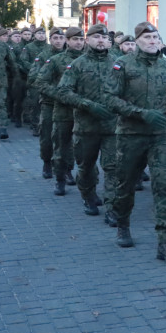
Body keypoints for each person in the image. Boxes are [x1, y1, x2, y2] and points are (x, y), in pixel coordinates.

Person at [103, 21, 166, 265]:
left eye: (155, 37)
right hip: (130, 135)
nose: (151, 41)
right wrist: (140, 113)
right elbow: (109, 97)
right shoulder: (123, 65)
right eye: (146, 38)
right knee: (125, 185)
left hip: (159, 136)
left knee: (163, 185)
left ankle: (165, 243)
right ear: (136, 41)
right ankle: (123, 226)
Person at [55, 23, 119, 221]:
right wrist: (87, 105)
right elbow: (63, 91)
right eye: (96, 37)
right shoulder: (78, 64)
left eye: (104, 37)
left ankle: (111, 207)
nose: (101, 40)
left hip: (112, 126)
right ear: (88, 40)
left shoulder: (118, 63)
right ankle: (89, 197)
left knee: (113, 167)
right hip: (86, 127)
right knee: (86, 167)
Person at [33, 27, 85, 194]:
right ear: (68, 41)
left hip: (82, 107)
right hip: (55, 105)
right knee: (55, 140)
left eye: (81, 39)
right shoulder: (54, 60)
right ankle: (54, 170)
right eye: (74, 39)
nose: (78, 43)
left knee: (79, 144)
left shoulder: (87, 60)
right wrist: (60, 95)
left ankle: (69, 170)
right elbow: (39, 81)